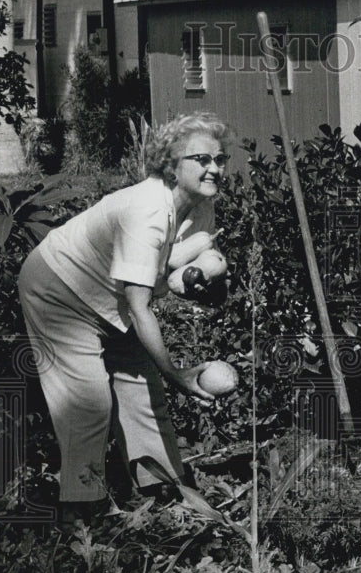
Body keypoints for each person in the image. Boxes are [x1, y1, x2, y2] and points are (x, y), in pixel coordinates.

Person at [18, 112, 231, 530]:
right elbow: (140, 306)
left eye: (220, 159)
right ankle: (83, 516)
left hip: (109, 296)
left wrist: (203, 281)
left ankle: (165, 492)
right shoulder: (146, 210)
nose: (214, 168)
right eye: (202, 158)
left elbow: (172, 277)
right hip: (59, 289)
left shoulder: (201, 210)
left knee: (143, 392)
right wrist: (177, 373)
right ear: (172, 164)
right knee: (88, 403)